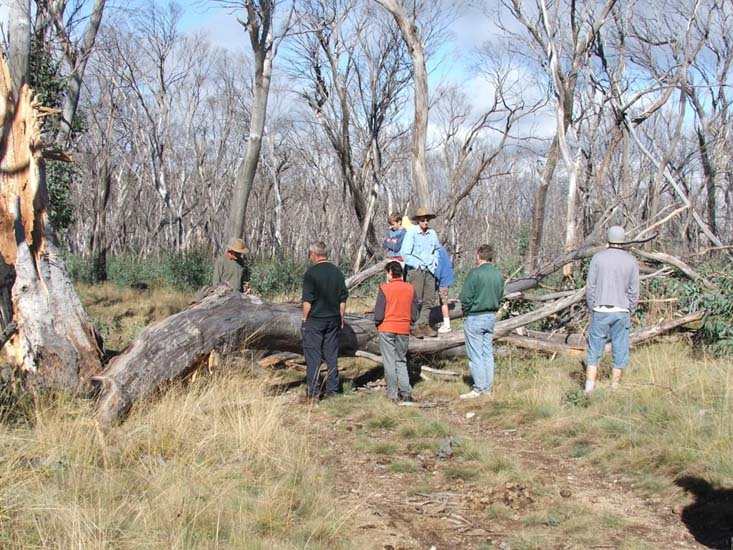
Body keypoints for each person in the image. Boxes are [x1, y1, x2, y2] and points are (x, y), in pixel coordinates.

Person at [584, 225, 639, 394]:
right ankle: (614, 388)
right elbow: (634, 290)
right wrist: (631, 308)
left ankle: (589, 388)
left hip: (600, 309)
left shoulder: (598, 258)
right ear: (623, 240)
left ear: (608, 238)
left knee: (594, 348)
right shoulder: (631, 260)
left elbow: (590, 286)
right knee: (620, 348)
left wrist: (592, 306)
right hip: (622, 310)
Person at [301, 241, 349, 402]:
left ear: (314, 255)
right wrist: (341, 317)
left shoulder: (311, 273)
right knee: (331, 355)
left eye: (310, 255)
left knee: (313, 356)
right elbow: (343, 299)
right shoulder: (337, 272)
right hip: (333, 319)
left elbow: (308, 301)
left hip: (315, 320)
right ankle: (333, 391)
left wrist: (304, 318)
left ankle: (314, 393)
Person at [459, 244, 504, 399]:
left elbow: (465, 297)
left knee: (475, 354)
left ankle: (479, 388)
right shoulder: (498, 275)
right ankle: (487, 388)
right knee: (487, 353)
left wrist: (466, 311)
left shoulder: (475, 273)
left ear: (478, 255)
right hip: (491, 316)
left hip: (475, 316)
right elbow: (500, 295)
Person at [374, 261, 418, 402]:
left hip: (386, 327)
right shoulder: (410, 288)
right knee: (401, 360)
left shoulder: (384, 288)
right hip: (403, 329)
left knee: (389, 362)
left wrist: (377, 323)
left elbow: (379, 314)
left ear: (389, 273)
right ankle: (406, 392)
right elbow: (414, 314)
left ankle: (392, 394)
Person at [399, 207, 440, 338]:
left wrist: (434, 261)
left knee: (429, 298)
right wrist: (417, 264)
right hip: (416, 270)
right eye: (423, 220)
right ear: (418, 221)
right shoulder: (411, 233)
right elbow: (405, 253)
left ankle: (424, 324)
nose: (425, 222)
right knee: (415, 299)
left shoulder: (432, 233)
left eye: (427, 220)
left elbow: (437, 249)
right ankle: (414, 325)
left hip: (430, 269)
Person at [435, 244, 455, 333]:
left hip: (443, 280)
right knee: (442, 301)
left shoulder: (437, 251)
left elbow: (438, 269)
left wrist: (435, 279)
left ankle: (447, 325)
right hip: (446, 278)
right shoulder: (441, 249)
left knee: (444, 302)